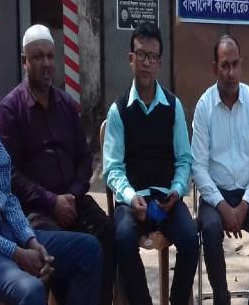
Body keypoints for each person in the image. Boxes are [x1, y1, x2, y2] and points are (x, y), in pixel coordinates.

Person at [0, 23, 101, 305]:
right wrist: (16, 253)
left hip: (8, 234)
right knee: (30, 289)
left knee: (88, 250)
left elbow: (7, 197)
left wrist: (30, 241)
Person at [0, 24, 115, 305]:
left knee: (109, 232)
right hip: (36, 211)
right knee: (69, 253)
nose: (46, 63)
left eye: (50, 56)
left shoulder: (66, 105)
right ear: (24, 61)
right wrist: (52, 201)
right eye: (38, 57)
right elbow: (10, 175)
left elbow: (85, 158)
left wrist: (71, 195)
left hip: (73, 201)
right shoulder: (10, 111)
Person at [103, 22, 199, 305]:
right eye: (141, 55)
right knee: (121, 238)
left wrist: (177, 190)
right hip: (132, 203)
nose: (147, 63)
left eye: (153, 57)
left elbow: (184, 158)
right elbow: (113, 168)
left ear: (159, 63)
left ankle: (176, 300)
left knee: (190, 239)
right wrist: (130, 197)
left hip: (167, 200)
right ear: (131, 58)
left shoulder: (173, 106)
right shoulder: (119, 111)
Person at [192, 35, 249, 305]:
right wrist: (223, 206)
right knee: (210, 229)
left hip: (248, 194)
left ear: (241, 64)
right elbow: (198, 167)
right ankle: (221, 297)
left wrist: (243, 205)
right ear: (214, 68)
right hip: (214, 195)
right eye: (224, 65)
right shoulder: (204, 106)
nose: (230, 73)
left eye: (235, 64)